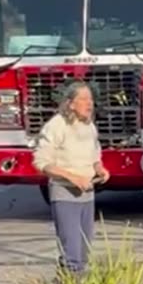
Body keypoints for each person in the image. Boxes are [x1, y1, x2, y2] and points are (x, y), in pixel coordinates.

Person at [33, 80, 107, 273]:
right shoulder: (56, 126)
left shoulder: (89, 126)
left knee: (84, 251)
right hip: (64, 194)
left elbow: (94, 153)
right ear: (71, 104)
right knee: (72, 253)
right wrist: (72, 178)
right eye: (83, 99)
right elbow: (42, 162)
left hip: (87, 193)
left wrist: (99, 168)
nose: (89, 103)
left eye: (90, 99)